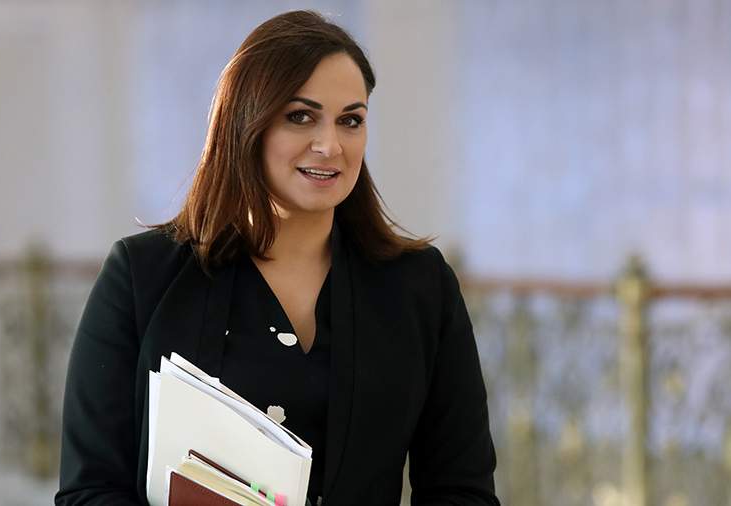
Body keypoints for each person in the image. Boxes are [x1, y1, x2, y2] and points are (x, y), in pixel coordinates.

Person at [56, 9, 498, 506]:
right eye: (300, 116)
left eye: (350, 120)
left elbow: (463, 492)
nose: (330, 145)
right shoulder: (141, 278)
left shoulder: (421, 287)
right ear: (246, 123)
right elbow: (90, 490)